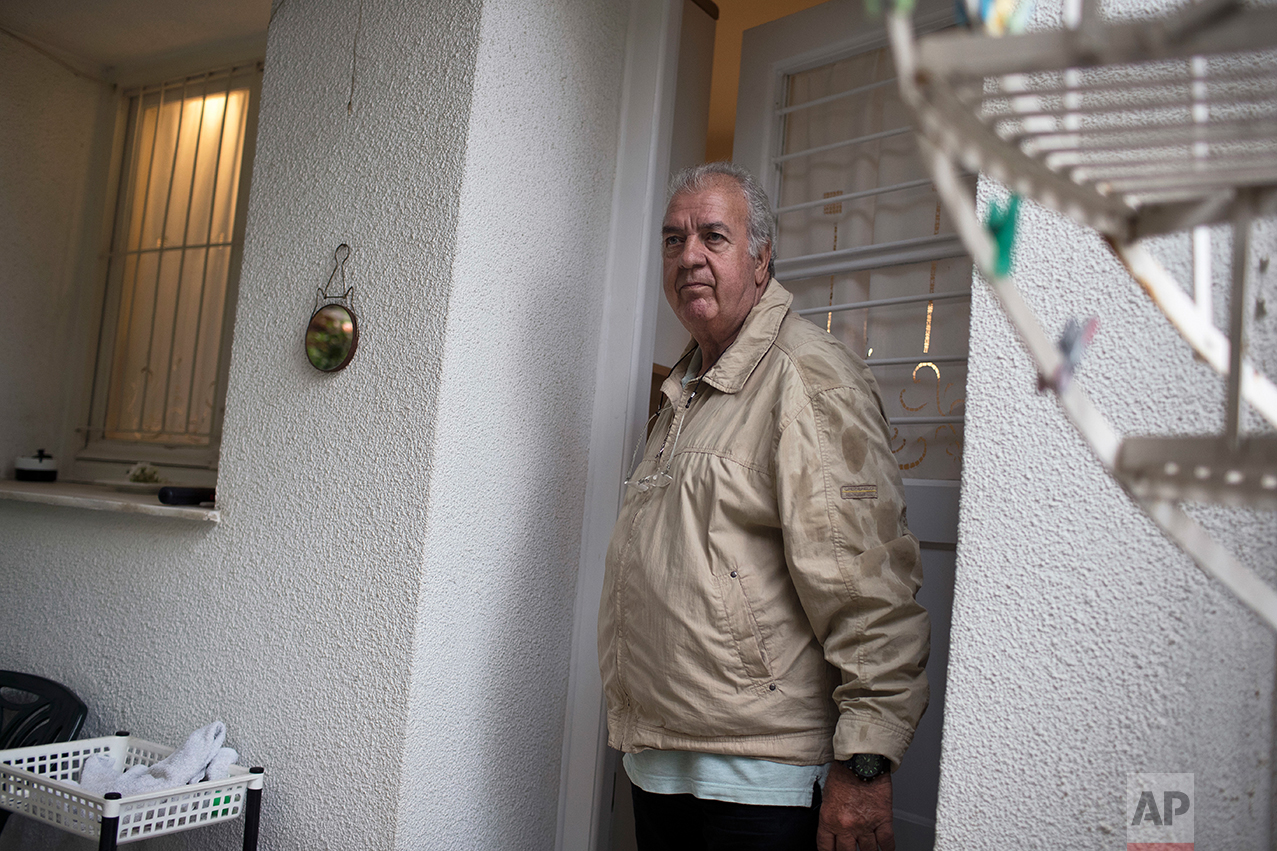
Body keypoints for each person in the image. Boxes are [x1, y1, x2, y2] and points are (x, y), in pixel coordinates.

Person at [598, 162, 930, 851]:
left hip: (756, 778)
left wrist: (864, 764)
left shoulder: (806, 376)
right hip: (663, 762)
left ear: (761, 258)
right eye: (672, 239)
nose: (688, 255)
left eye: (713, 236)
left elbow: (869, 584)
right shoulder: (686, 385)